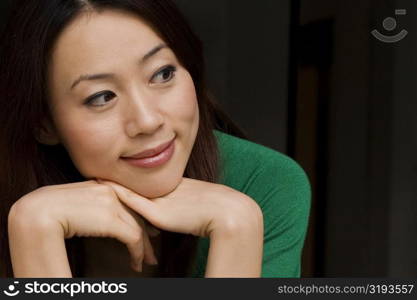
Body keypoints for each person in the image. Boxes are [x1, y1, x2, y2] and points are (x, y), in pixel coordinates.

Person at [0, 0, 310, 278]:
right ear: (44, 124)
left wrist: (237, 228)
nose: (147, 121)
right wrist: (34, 232)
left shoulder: (263, 184)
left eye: (162, 74)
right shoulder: (20, 205)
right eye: (101, 97)